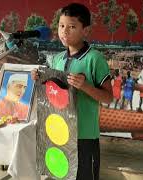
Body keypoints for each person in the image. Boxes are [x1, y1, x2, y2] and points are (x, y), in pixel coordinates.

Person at [32, 3, 113, 180]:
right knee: (59, 175)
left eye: (72, 27)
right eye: (61, 26)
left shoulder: (95, 59)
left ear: (85, 30)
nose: (64, 31)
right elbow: (51, 92)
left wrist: (85, 87)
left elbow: (109, 97)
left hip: (84, 136)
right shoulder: (56, 59)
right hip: (59, 133)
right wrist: (39, 78)